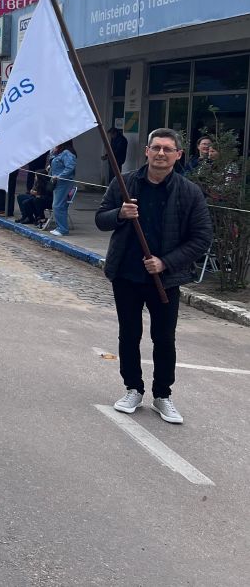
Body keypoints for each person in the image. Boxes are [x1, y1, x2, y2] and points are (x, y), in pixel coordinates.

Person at [96, 128, 212, 425]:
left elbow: (201, 239)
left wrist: (165, 263)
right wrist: (119, 214)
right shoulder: (125, 184)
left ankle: (163, 395)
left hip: (165, 280)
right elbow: (101, 218)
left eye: (167, 149)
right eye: (156, 148)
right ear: (146, 151)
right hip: (126, 275)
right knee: (129, 334)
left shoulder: (189, 192)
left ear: (178, 155)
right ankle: (133, 388)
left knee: (163, 338)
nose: (161, 153)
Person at [49, 140, 77, 237]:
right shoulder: (59, 152)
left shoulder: (67, 153)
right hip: (57, 182)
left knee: (58, 205)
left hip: (63, 182)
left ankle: (62, 229)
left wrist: (60, 176)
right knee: (59, 205)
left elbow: (70, 168)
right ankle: (60, 227)